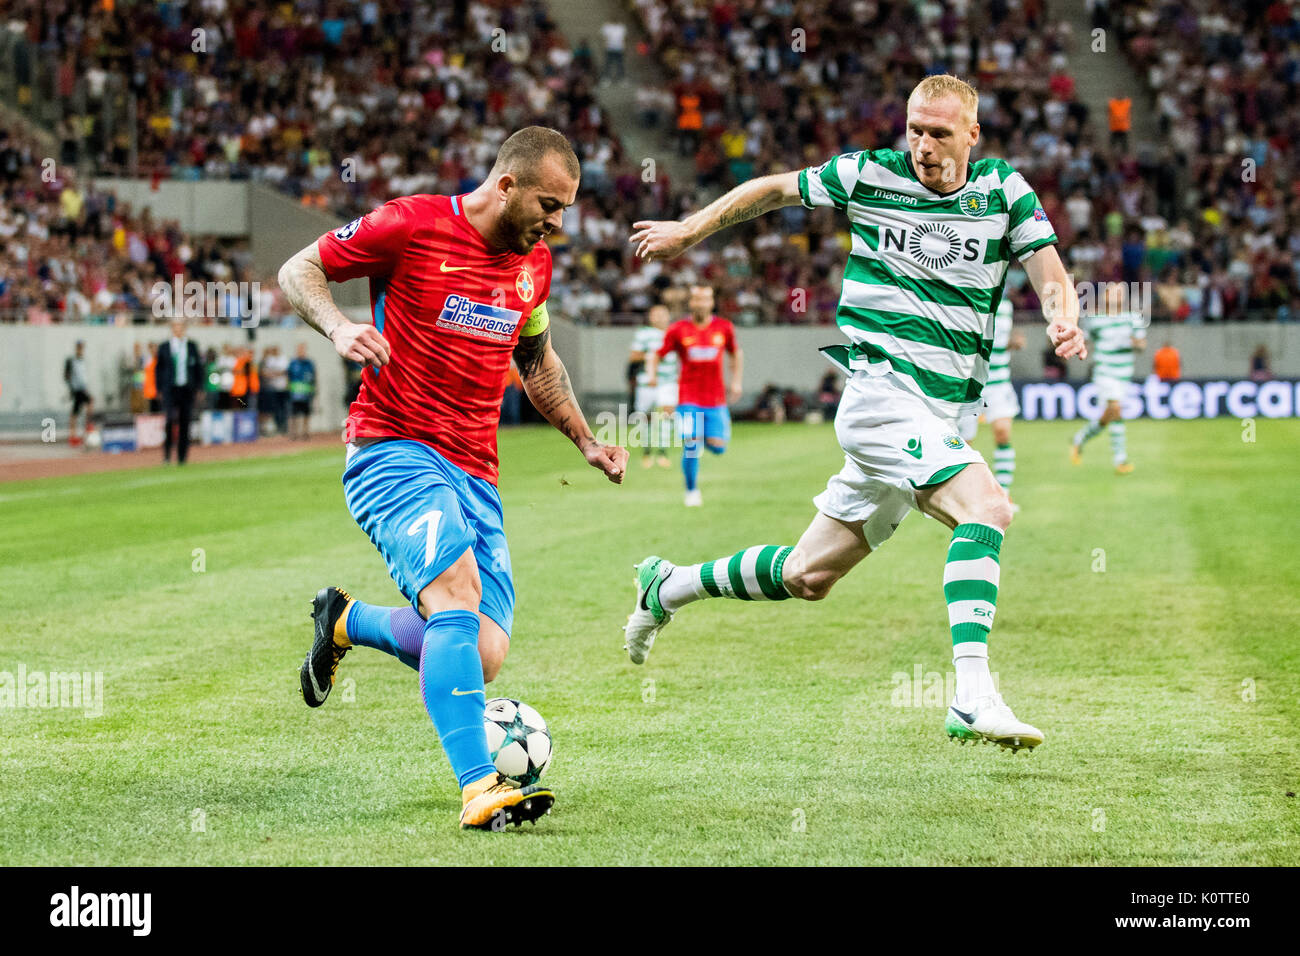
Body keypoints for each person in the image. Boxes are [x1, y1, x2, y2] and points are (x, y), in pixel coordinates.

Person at [625, 74, 1088, 752]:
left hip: (942, 414)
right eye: (915, 130)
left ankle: (667, 586)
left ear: (972, 133)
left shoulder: (1003, 191)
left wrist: (1063, 319)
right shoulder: (869, 174)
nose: (924, 145)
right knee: (987, 508)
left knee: (807, 576)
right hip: (881, 399)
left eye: (939, 132)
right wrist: (689, 231)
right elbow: (774, 188)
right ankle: (971, 694)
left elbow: (1049, 271)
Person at [278, 126, 628, 831]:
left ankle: (346, 622)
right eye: (550, 205)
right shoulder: (409, 225)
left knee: (486, 652)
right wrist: (340, 328)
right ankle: (479, 787)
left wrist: (586, 438)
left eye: (565, 210)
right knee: (458, 597)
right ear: (506, 185)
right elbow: (297, 272)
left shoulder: (534, 268)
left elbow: (537, 362)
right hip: (392, 450)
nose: (557, 223)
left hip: (475, 470)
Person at [646, 285, 742, 506]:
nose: (700, 303)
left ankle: (704, 438)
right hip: (688, 399)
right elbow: (656, 354)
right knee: (690, 444)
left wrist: (736, 381)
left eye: (704, 299)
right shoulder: (679, 329)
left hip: (715, 399)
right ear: (691, 303)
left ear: (711, 302)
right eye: (696, 299)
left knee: (718, 447)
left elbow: (735, 352)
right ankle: (691, 490)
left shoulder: (724, 327)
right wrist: (652, 375)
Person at [1071, 283, 1146, 474]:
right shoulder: (1095, 320)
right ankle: (1120, 461)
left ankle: (1080, 439)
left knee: (1112, 415)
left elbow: (1142, 345)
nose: (1116, 297)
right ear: (1105, 297)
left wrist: (1134, 343)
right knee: (1115, 409)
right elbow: (1084, 340)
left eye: (1120, 293)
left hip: (1124, 373)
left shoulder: (1133, 318)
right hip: (1105, 372)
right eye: (1112, 293)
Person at [959, 299, 1026, 505]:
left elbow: (1002, 336)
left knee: (1003, 432)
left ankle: (1003, 494)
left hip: (999, 382)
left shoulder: (1006, 305)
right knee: (964, 445)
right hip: (970, 383)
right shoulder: (968, 299)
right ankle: (965, 495)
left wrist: (1013, 342)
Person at [628, 303, 677, 468]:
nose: (659, 318)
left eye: (663, 314)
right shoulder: (644, 334)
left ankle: (663, 453)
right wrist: (653, 356)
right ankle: (647, 452)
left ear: (668, 316)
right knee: (646, 418)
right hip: (647, 383)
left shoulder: (675, 332)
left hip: (668, 382)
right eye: (656, 314)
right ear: (650, 317)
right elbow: (634, 356)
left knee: (666, 417)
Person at [156, 319, 203, 464]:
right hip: (170, 389)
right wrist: (159, 389)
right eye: (175, 326)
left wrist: (199, 388)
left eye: (181, 326)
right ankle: (167, 455)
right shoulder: (164, 347)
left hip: (186, 389)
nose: (178, 329)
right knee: (169, 420)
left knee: (185, 422)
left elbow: (198, 368)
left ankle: (182, 457)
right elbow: (159, 369)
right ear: (172, 328)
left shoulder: (191, 346)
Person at [63, 340, 93, 447]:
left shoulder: (82, 361)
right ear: (76, 348)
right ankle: (86, 426)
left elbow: (83, 376)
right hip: (77, 389)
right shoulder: (72, 361)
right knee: (89, 402)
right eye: (79, 348)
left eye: (82, 348)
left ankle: (73, 435)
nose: (81, 350)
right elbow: (67, 375)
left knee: (75, 412)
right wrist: (71, 387)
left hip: (82, 388)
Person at [287, 343, 316, 439]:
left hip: (306, 392)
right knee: (293, 414)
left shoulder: (309, 363)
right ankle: (293, 433)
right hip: (294, 392)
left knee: (306, 414)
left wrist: (314, 390)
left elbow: (314, 377)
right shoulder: (293, 363)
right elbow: (288, 376)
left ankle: (305, 433)